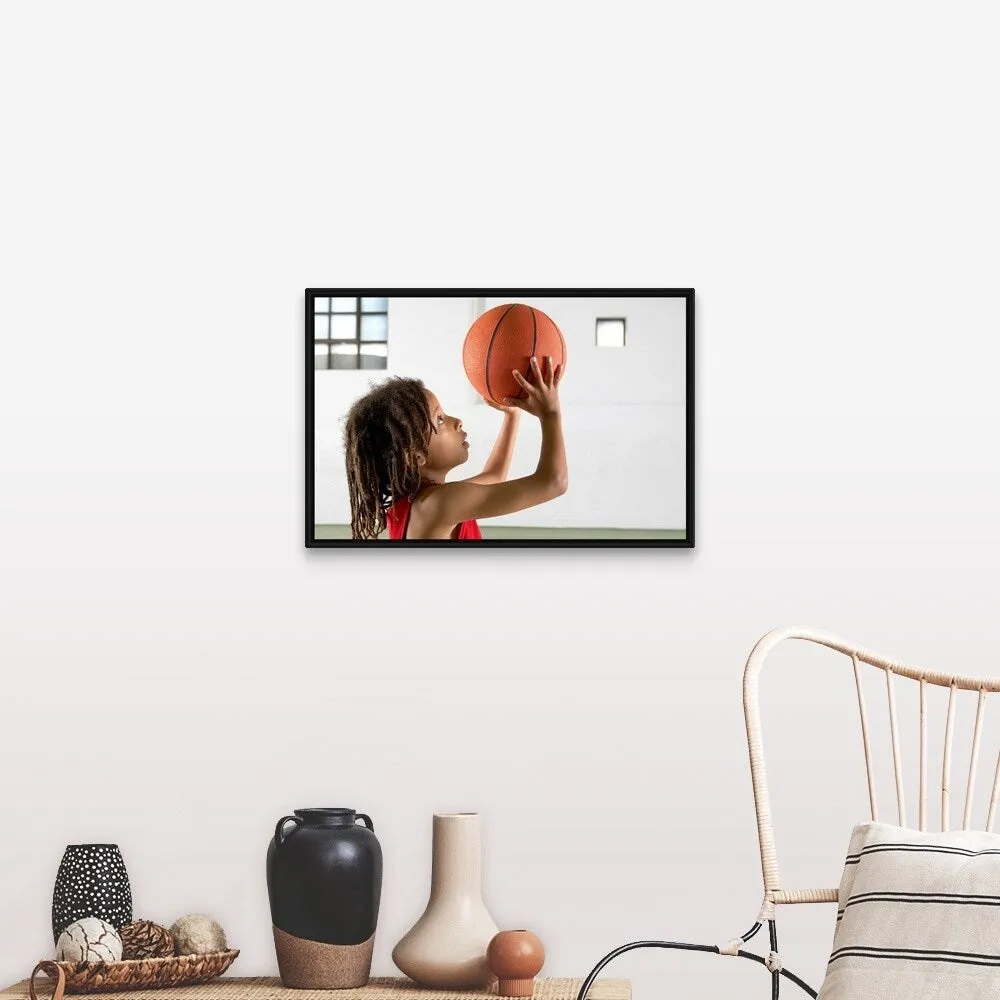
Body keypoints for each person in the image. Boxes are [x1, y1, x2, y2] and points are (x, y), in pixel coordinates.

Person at [343, 356, 567, 540]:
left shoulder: (413, 504)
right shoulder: (441, 503)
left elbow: (494, 475)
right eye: (439, 419)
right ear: (416, 455)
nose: (456, 421)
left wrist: (512, 415)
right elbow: (554, 483)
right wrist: (551, 414)